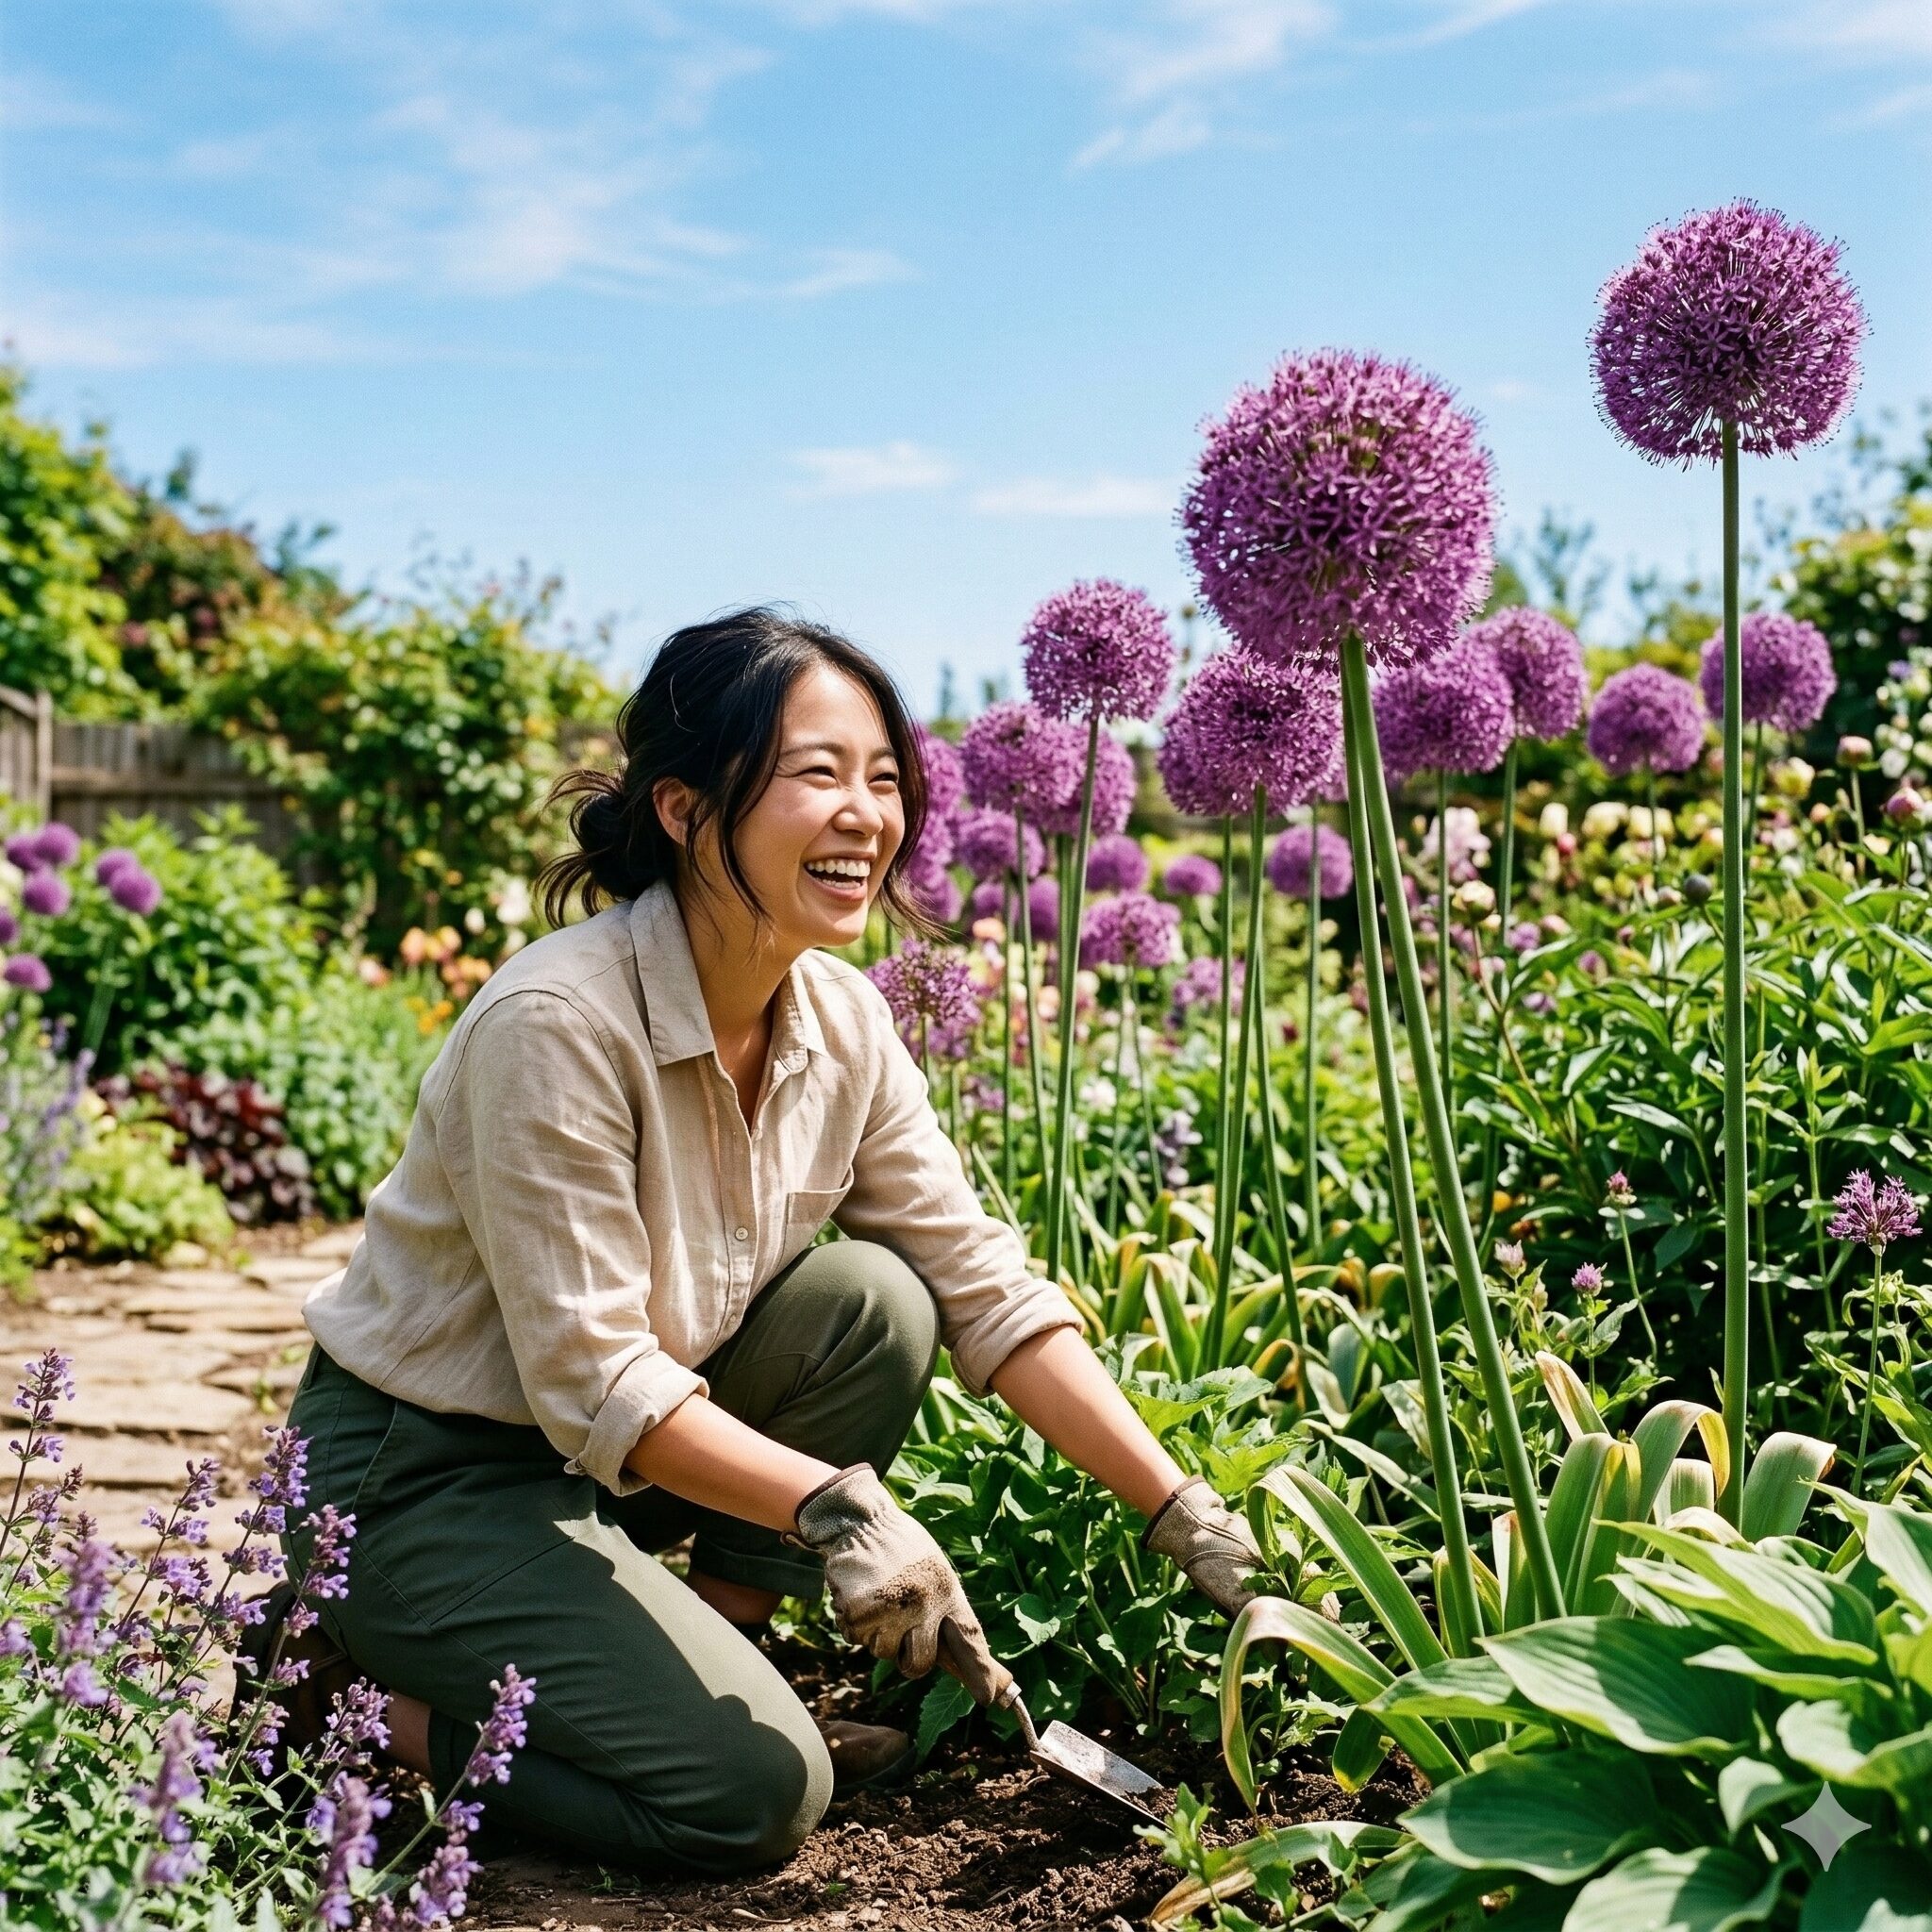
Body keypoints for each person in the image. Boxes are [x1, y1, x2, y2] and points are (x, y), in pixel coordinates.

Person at [258, 608, 1260, 1874]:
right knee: (751, 1800)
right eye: (818, 774)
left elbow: (979, 1288)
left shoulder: (842, 1019)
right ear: (684, 808)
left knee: (872, 1304)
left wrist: (1184, 1513)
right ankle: (340, 1707)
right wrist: (839, 1511)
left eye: (887, 779)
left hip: (591, 1473)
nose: (866, 813)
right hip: (417, 1485)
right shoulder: (557, 1023)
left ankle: (699, 1654)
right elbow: (595, 1380)